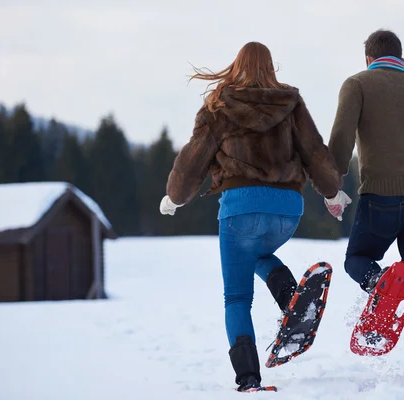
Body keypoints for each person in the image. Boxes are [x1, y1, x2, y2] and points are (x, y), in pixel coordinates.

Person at [159, 42, 351, 391]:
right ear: (270, 68)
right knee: (258, 253)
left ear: (236, 66)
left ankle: (248, 378)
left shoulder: (220, 105)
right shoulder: (291, 103)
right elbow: (315, 152)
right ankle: (290, 298)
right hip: (287, 212)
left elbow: (193, 161)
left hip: (241, 210)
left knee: (236, 298)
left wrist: (175, 197)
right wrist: (332, 190)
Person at [326, 29, 404, 377]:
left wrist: (332, 186)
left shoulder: (357, 84)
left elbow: (340, 138)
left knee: (357, 259)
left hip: (383, 194)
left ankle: (380, 282)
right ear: (401, 56)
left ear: (369, 58)